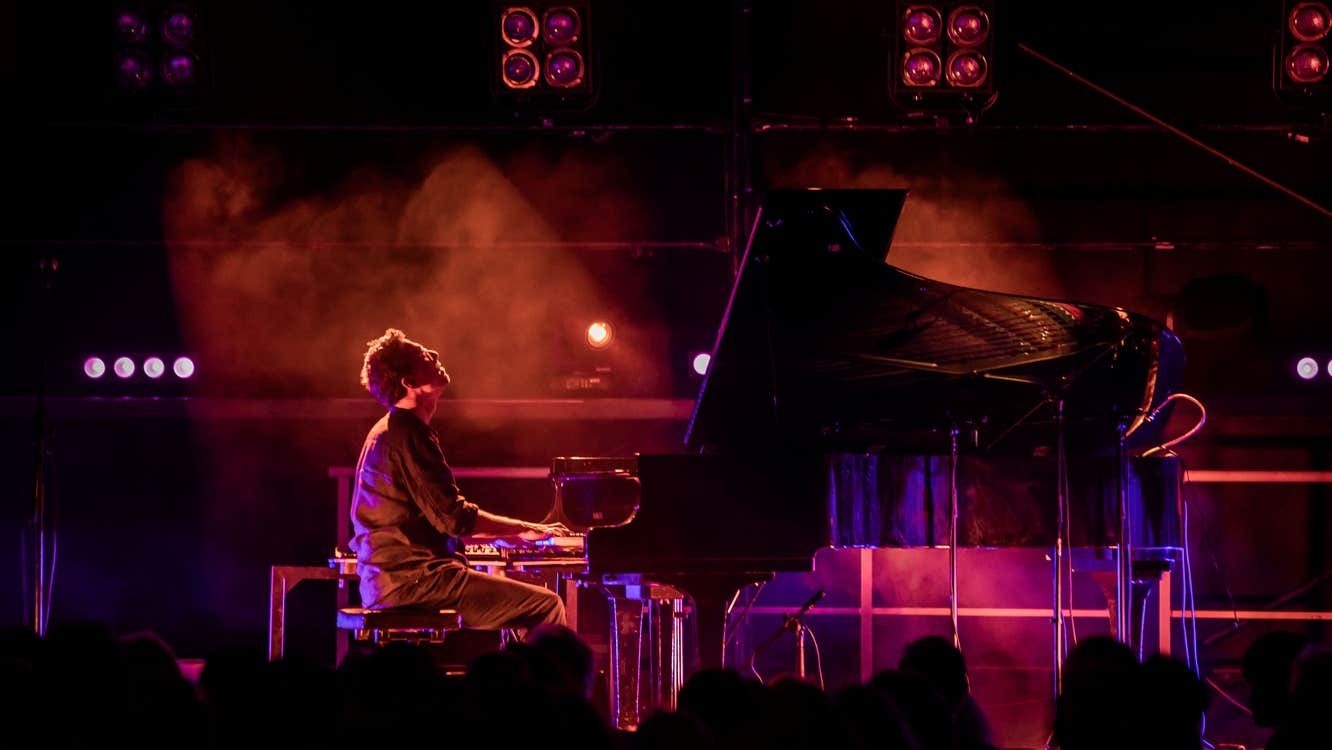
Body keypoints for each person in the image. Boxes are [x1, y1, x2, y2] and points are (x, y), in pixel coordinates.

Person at [349, 328, 567, 630]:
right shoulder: (409, 434)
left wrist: (511, 536)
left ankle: (516, 674)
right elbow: (454, 519)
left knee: (517, 603)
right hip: (415, 583)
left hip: (391, 582)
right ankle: (536, 678)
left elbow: (440, 519)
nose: (436, 355)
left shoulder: (391, 431)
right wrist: (524, 527)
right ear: (409, 383)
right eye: (424, 356)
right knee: (546, 606)